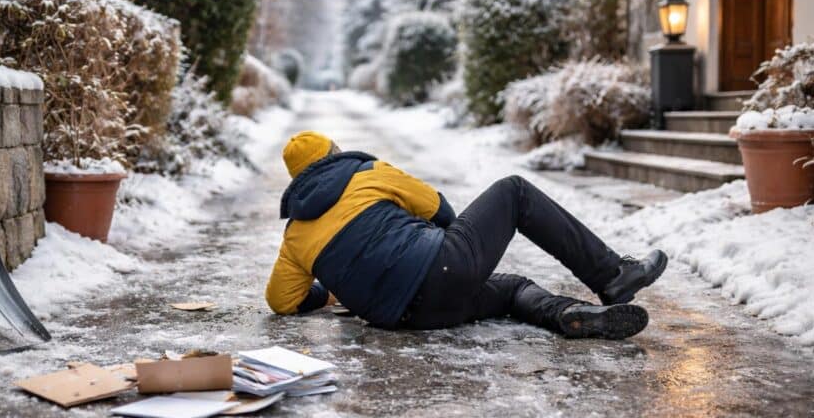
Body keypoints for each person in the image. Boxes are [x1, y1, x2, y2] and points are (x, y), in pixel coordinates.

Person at [264, 131, 668, 339]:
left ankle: (568, 315)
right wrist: (454, 259)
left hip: (409, 318)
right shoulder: (368, 173)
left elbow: (281, 301)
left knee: (512, 288)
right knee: (514, 191)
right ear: (335, 155)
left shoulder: (295, 235)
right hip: (442, 269)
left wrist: (331, 293)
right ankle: (613, 275)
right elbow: (439, 210)